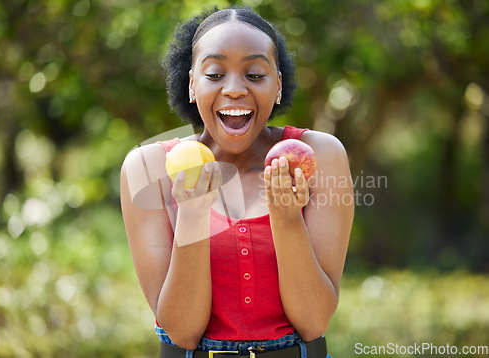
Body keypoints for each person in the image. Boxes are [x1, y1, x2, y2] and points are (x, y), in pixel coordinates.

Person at [120, 6, 354, 358]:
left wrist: (288, 219)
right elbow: (181, 332)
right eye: (214, 74)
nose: (233, 89)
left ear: (277, 85)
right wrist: (193, 215)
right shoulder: (148, 167)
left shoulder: (320, 155)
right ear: (192, 85)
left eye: (255, 74)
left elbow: (314, 321)